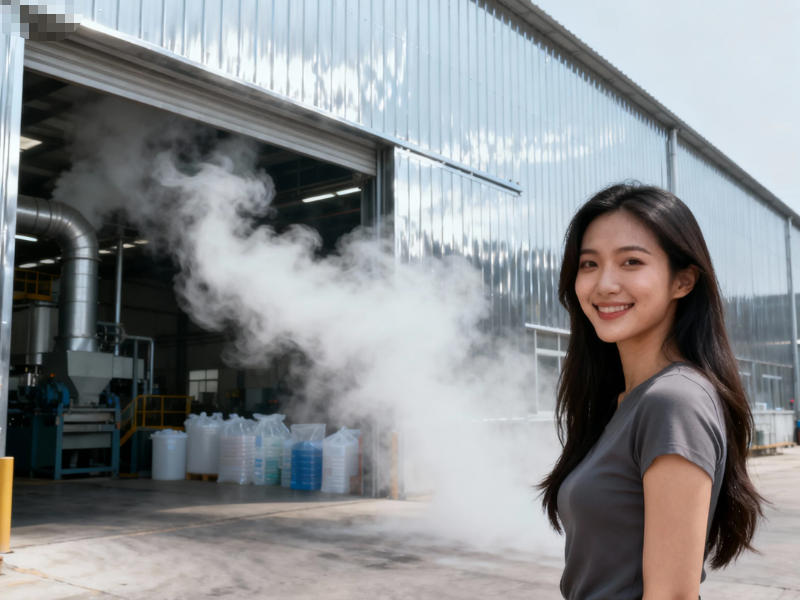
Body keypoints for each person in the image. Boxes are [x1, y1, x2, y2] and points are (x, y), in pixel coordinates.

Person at [537, 183, 765, 600]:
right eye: (589, 264)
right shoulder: (624, 401)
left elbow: (672, 596)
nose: (604, 284)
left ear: (683, 281)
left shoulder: (673, 402)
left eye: (631, 262)